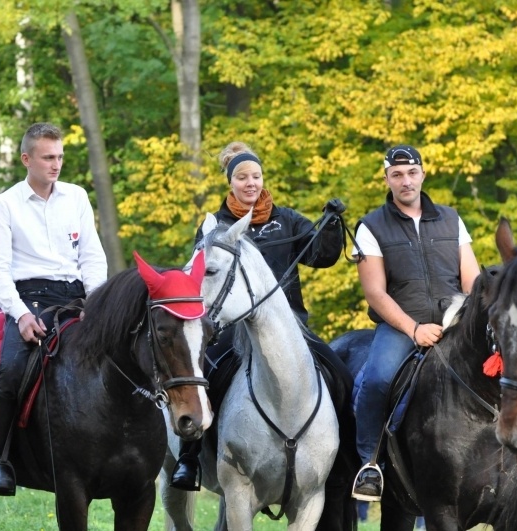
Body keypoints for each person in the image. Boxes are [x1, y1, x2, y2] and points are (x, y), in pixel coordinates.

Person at [170, 141, 355, 491]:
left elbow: (321, 257)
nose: (250, 183)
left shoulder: (287, 220)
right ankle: (190, 457)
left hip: (290, 327)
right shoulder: (215, 226)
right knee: (203, 375)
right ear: (231, 182)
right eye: (242, 177)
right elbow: (200, 275)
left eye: (255, 176)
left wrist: (331, 226)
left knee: (341, 375)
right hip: (230, 327)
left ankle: (343, 459)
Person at [0, 122, 108, 495]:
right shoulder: (5, 205)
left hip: (78, 297)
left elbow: (92, 257)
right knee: (10, 372)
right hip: (29, 298)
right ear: (27, 159)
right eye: (48, 157)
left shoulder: (77, 197)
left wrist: (95, 305)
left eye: (60, 157)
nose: (56, 164)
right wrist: (21, 315)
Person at [351, 145, 481, 501]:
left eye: (411, 173)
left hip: (455, 322)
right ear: (387, 179)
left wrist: (466, 320)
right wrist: (413, 329)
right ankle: (370, 464)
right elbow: (375, 293)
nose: (405, 181)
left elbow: (472, 279)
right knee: (377, 379)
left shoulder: (452, 218)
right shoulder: (370, 226)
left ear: (423, 174)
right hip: (401, 328)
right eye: (397, 175)